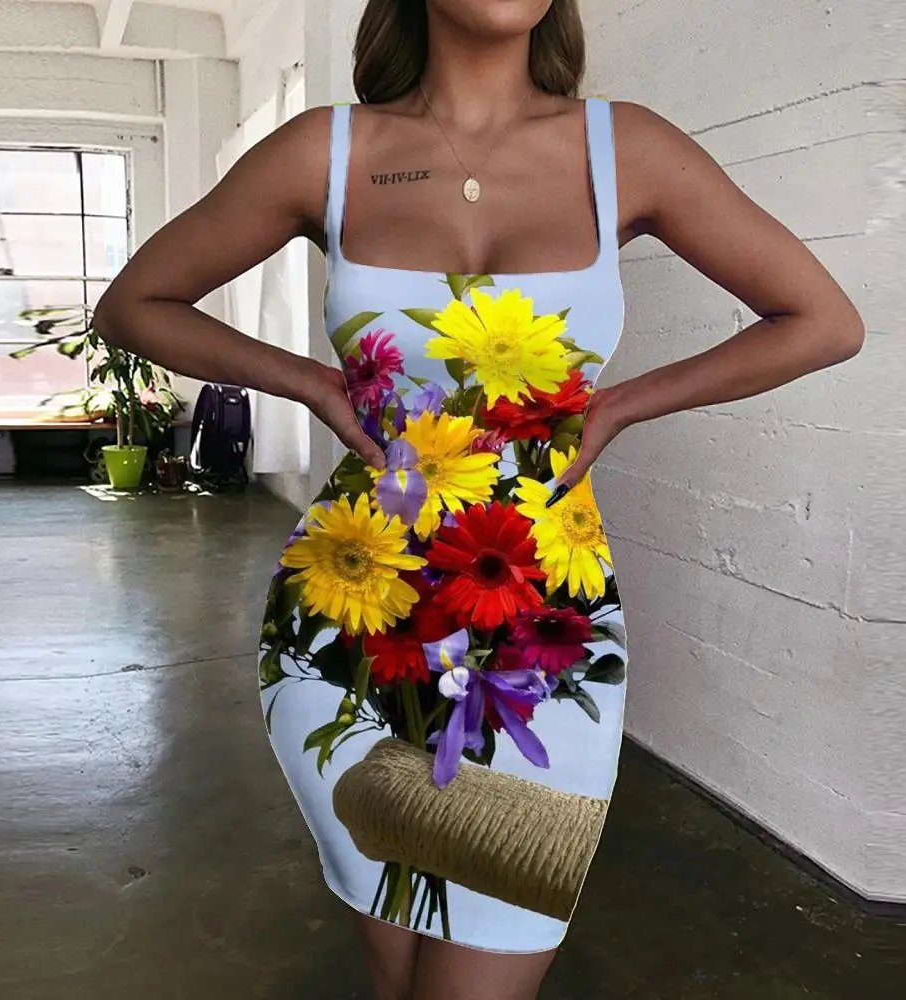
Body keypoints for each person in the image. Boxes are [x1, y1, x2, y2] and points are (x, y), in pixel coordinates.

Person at [93, 2, 865, 998]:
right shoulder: (327, 151)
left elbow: (822, 319)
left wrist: (622, 404)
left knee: (484, 962)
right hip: (346, 625)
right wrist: (313, 383)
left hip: (544, 633)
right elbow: (134, 303)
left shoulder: (625, 150)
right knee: (402, 962)